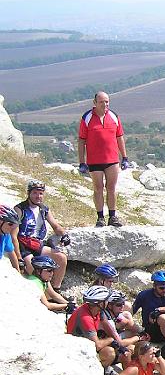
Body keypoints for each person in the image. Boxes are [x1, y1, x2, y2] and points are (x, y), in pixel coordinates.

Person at [77, 91, 129, 227]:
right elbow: (81, 140)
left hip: (112, 159)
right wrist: (81, 162)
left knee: (111, 188)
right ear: (95, 103)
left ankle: (113, 216)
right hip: (94, 160)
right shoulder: (87, 118)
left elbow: (120, 137)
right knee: (98, 188)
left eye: (107, 101)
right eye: (101, 102)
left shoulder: (114, 116)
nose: (105, 104)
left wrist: (124, 157)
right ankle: (100, 217)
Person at [15, 180, 69, 291]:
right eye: (35, 193)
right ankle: (42, 294)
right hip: (23, 245)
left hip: (37, 243)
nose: (38, 196)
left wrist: (64, 235)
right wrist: (19, 257)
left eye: (40, 193)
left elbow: (55, 225)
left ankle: (56, 289)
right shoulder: (20, 209)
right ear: (29, 193)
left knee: (61, 258)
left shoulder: (43, 209)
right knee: (33, 269)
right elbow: (13, 234)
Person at [66, 285, 119, 375]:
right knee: (109, 352)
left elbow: (107, 326)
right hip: (78, 351)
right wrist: (111, 340)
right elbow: (97, 346)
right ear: (100, 303)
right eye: (106, 300)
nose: (108, 302)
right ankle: (100, 371)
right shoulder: (85, 318)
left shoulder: (96, 309)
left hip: (87, 343)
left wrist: (118, 342)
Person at [0, 204, 22, 273]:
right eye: (10, 224)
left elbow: (12, 255)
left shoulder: (6, 235)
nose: (13, 228)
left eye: (15, 225)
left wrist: (18, 273)